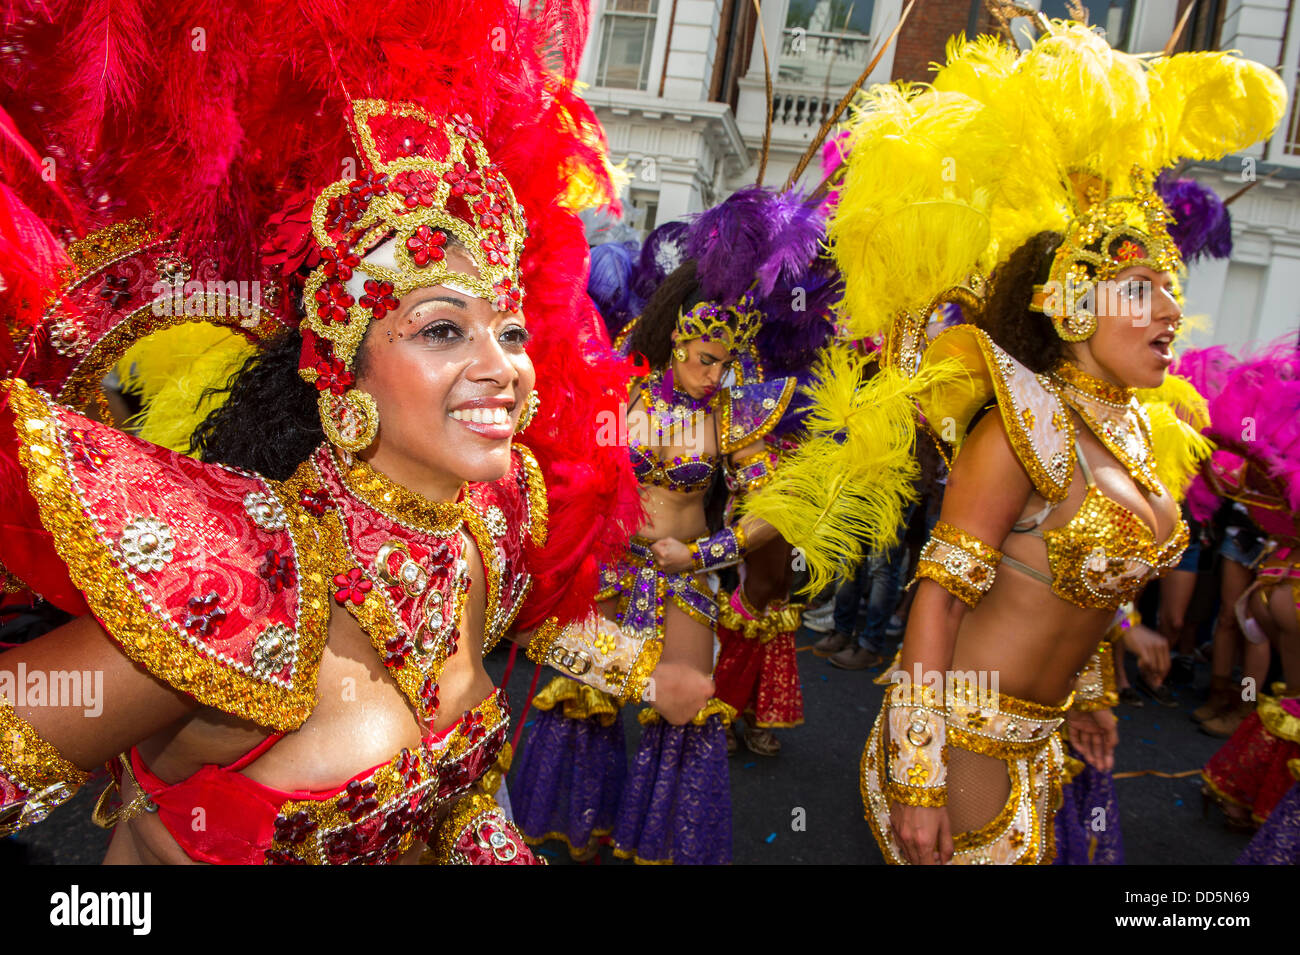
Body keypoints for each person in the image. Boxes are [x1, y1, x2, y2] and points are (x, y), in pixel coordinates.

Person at [0, 0, 654, 864]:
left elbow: (451, 797)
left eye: (512, 331)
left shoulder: (489, 526)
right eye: (443, 328)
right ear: (344, 369)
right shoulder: (238, 579)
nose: (504, 365)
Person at [743, 19, 1286, 864]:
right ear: (1070, 305)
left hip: (1040, 739)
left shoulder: (1135, 432)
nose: (1171, 313)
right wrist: (919, 779)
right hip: (960, 740)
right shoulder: (1021, 428)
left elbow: (1088, 593)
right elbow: (939, 601)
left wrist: (1095, 691)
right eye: (1140, 289)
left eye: (1171, 290)